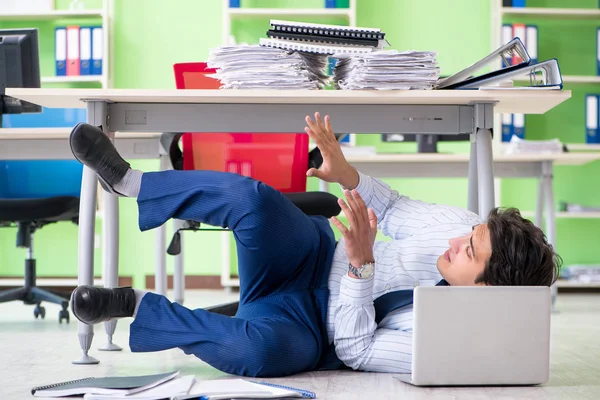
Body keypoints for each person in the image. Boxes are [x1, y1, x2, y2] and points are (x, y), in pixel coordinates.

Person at [69, 113, 561, 378]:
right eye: (469, 237)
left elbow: (356, 348)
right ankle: (132, 184)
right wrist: (347, 175)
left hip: (311, 328)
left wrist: (362, 269)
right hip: (312, 254)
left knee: (257, 353)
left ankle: (135, 306)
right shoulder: (463, 228)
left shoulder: (444, 339)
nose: (457, 243)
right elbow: (392, 207)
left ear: (489, 291)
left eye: (469, 254)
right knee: (256, 201)